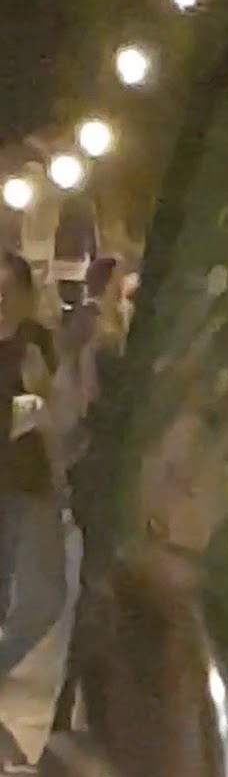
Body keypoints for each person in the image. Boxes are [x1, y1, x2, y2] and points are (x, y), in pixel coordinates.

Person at [0, 254, 67, 746]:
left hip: (32, 486)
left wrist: (60, 473)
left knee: (45, 597)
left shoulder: (36, 343)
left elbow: (55, 412)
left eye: (8, 292)